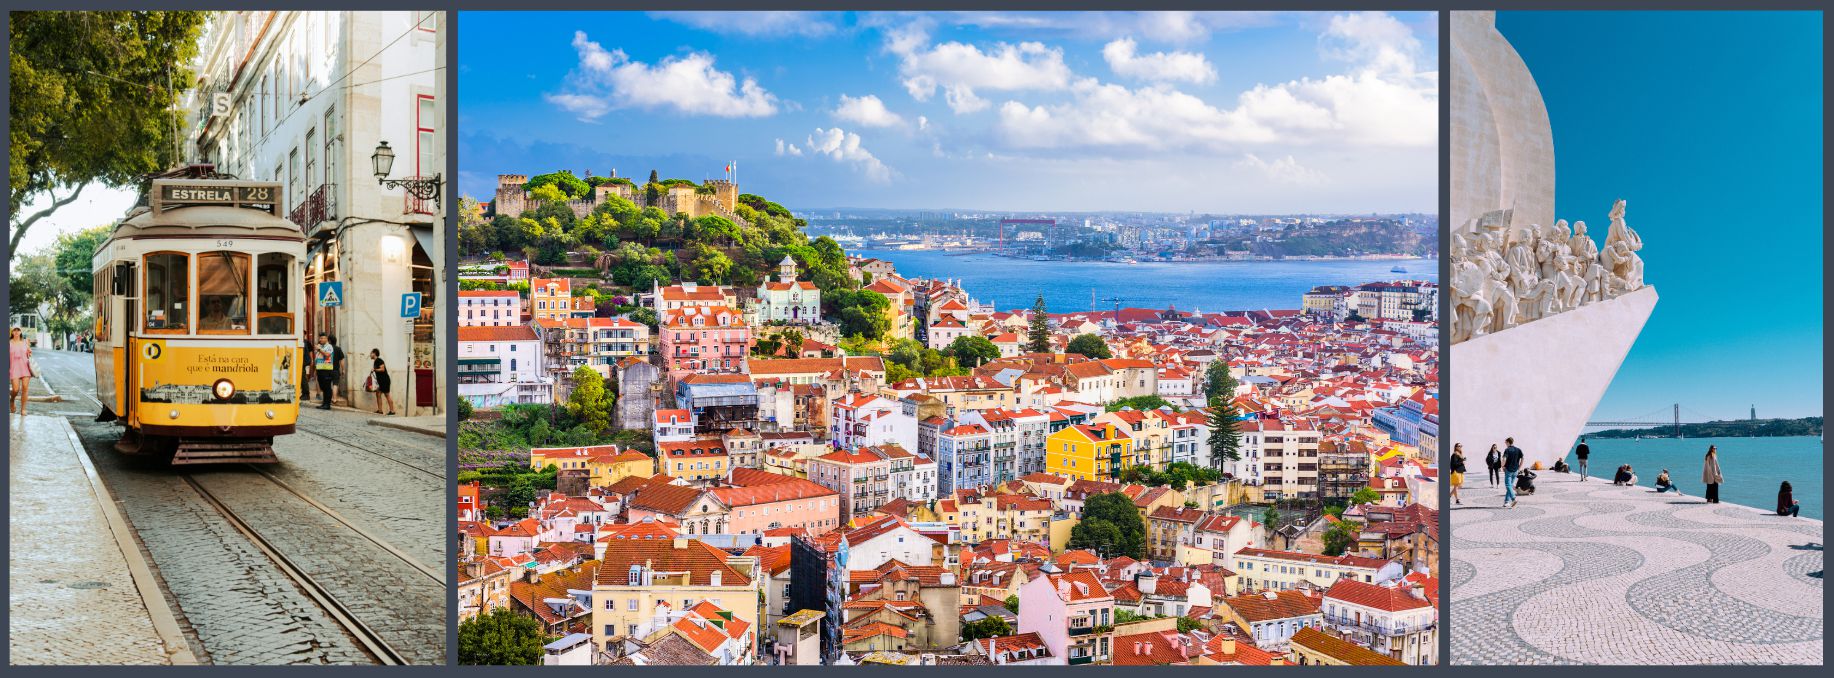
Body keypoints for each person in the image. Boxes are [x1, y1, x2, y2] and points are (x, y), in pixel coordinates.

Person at [9, 327, 33, 417]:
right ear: (12, 332)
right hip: (14, 368)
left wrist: (29, 352)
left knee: (25, 388)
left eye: (18, 330)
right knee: (15, 389)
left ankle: (23, 409)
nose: (16, 332)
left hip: (25, 367)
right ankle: (12, 400)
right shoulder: (9, 343)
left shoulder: (25, 342)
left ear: (20, 332)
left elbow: (29, 354)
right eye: (14, 330)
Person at [370, 348, 395, 416]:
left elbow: (382, 369)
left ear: (374, 353)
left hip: (384, 380)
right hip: (381, 381)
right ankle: (380, 410)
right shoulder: (376, 361)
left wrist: (374, 370)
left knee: (387, 395)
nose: (370, 355)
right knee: (378, 394)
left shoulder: (379, 360)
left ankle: (392, 411)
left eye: (371, 353)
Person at [314, 333, 335, 410]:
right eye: (320, 338)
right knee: (323, 387)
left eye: (323, 338)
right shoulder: (321, 347)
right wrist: (316, 369)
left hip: (327, 370)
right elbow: (317, 359)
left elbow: (327, 355)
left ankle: (327, 404)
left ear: (326, 339)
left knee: (327, 388)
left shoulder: (329, 346)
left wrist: (319, 349)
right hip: (320, 369)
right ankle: (324, 403)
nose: (321, 339)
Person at [1502, 437, 1524, 508]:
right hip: (1515, 470)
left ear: (1508, 442)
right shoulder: (1518, 450)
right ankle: (1506, 502)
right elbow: (1522, 458)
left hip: (1508, 470)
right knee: (1510, 486)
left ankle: (1513, 498)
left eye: (1506, 442)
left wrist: (1502, 466)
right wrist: (1519, 467)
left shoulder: (1507, 450)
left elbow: (1504, 459)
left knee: (1508, 485)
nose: (1505, 444)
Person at [328, 334, 346, 407]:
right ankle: (334, 399)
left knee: (328, 384)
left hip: (327, 369)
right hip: (335, 370)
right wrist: (343, 369)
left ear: (329, 341)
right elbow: (342, 360)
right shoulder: (338, 349)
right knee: (335, 384)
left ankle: (328, 399)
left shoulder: (327, 348)